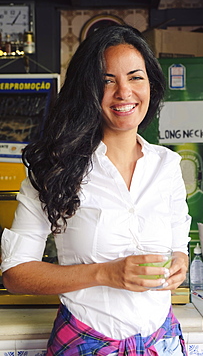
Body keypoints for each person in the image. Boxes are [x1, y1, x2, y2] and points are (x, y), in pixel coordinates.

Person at [1, 25, 191, 355]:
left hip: (163, 342)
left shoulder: (167, 166)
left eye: (135, 77)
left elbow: (178, 248)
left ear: (151, 85)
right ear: (87, 89)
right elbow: (16, 273)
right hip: (86, 345)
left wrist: (180, 262)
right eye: (107, 81)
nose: (124, 92)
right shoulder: (55, 168)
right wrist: (106, 273)